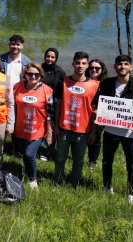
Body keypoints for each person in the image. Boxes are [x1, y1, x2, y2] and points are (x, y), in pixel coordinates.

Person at [92, 55, 133, 205]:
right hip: (110, 131)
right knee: (107, 161)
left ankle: (131, 193)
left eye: (126, 64)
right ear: (115, 67)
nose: (122, 67)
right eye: (119, 64)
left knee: (132, 165)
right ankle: (107, 187)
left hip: (131, 134)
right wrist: (97, 112)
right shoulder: (106, 83)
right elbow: (96, 102)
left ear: (131, 67)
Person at [52, 51, 100, 188]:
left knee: (78, 160)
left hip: (83, 130)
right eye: (77, 63)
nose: (80, 66)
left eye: (83, 63)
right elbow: (59, 104)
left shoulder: (94, 85)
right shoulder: (64, 82)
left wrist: (93, 131)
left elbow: (95, 110)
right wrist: (56, 126)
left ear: (87, 66)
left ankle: (74, 183)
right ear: (73, 64)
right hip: (64, 128)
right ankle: (57, 181)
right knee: (60, 158)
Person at [12, 62, 54, 189]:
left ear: (41, 75)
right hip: (20, 128)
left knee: (29, 154)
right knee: (24, 153)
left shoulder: (47, 91)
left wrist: (50, 133)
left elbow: (51, 115)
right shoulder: (17, 86)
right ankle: (26, 171)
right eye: (30, 74)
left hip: (37, 129)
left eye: (36, 74)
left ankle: (33, 179)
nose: (33, 77)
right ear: (25, 74)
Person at [40, 47, 66, 162]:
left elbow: (64, 89)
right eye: (47, 56)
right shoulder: (40, 69)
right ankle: (40, 149)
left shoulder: (60, 72)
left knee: (52, 127)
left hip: (54, 104)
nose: (49, 59)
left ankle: (48, 150)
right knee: (40, 127)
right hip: (40, 103)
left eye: (52, 57)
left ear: (56, 58)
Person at [86, 58, 108, 168]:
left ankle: (92, 161)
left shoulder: (106, 84)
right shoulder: (83, 80)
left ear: (102, 69)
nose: (94, 69)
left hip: (99, 115)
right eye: (91, 67)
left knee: (96, 137)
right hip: (85, 114)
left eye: (97, 68)